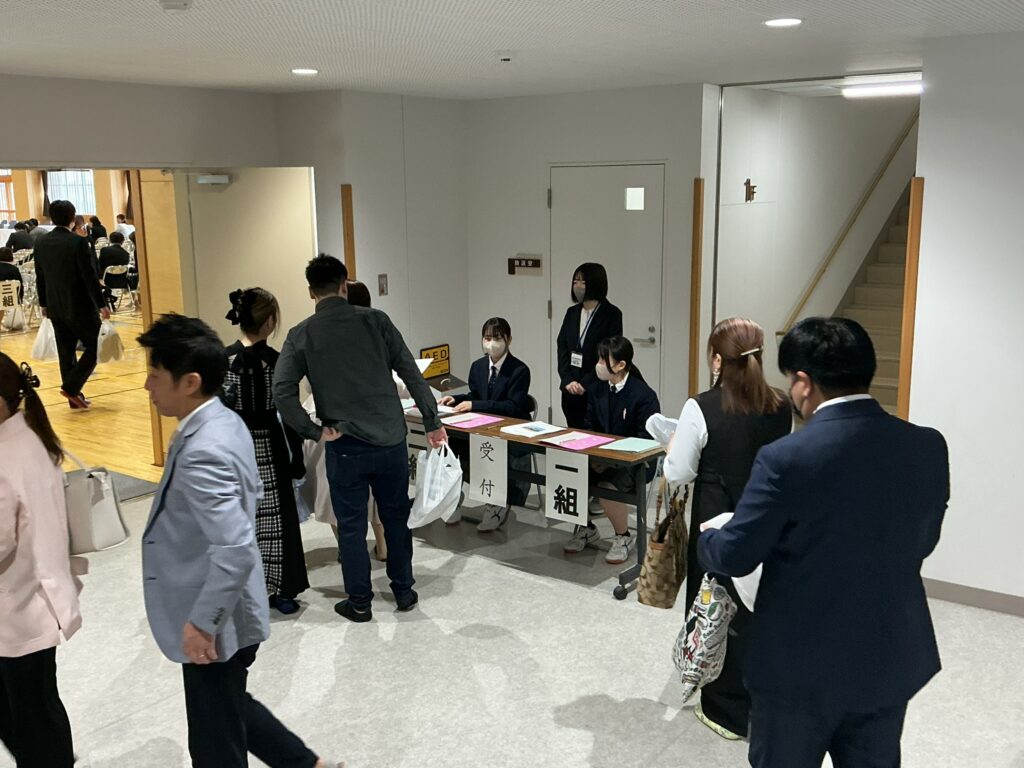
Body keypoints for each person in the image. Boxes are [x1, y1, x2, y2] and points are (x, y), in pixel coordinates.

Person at [698, 317, 949, 768]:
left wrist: (709, 538)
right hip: (885, 653)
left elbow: (736, 555)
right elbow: (923, 540)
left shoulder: (786, 458)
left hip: (798, 665)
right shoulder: (927, 446)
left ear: (803, 382)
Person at [138, 314, 340, 768]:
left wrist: (202, 622)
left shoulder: (204, 447)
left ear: (190, 382)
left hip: (216, 617)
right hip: (226, 608)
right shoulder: (220, 420)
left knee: (214, 744)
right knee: (228, 709)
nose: (147, 386)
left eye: (155, 375)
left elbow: (233, 549)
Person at [274, 255, 447, 624]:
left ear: (311, 292)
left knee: (351, 526)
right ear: (344, 285)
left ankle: (360, 602)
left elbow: (282, 393)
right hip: (390, 440)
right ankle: (404, 591)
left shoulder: (302, 334)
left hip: (345, 445)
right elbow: (411, 373)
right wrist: (432, 421)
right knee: (395, 517)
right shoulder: (377, 321)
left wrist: (312, 430)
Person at [662, 317, 791, 741]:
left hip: (716, 520)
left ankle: (725, 710)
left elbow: (678, 471)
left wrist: (672, 447)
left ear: (717, 360)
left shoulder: (701, 407)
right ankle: (760, 700)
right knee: (757, 607)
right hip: (765, 518)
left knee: (716, 606)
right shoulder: (781, 405)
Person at [0, 355, 82, 767]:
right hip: (39, 598)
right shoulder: (33, 437)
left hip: (17, 609)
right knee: (37, 711)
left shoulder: (5, 454)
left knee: (33, 720)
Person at [223, 288, 310, 616]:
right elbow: (289, 412)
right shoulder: (278, 362)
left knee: (241, 518)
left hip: (235, 447)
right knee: (276, 518)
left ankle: (243, 589)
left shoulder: (223, 360)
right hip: (271, 445)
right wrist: (298, 458)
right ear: (271, 322)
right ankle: (281, 590)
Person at [563, 336, 660, 563]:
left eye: (602, 359)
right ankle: (586, 527)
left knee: (606, 487)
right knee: (569, 474)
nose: (597, 364)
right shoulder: (597, 389)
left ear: (620, 365)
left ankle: (623, 536)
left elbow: (645, 439)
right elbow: (588, 425)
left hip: (634, 462)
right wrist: (595, 454)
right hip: (600, 455)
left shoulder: (643, 395)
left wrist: (610, 459)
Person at [440, 316, 533, 531]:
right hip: (479, 427)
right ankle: (453, 495)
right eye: (487, 338)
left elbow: (512, 406)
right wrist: (457, 399)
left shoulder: (519, 370)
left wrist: (475, 404)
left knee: (493, 452)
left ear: (509, 339)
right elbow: (476, 395)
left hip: (508, 430)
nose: (491, 343)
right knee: (450, 443)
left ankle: (498, 503)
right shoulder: (478, 366)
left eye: (497, 338)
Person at [33, 200, 110, 410]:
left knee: (66, 352)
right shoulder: (77, 242)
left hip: (55, 305)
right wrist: (101, 304)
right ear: (72, 218)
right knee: (98, 344)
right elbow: (89, 276)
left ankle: (73, 398)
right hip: (80, 305)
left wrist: (43, 303)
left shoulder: (41, 242)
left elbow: (40, 276)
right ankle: (72, 387)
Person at [556, 262, 623, 428]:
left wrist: (585, 384)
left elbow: (611, 352)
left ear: (596, 283)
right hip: (570, 388)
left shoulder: (612, 314)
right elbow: (562, 345)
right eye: (575, 281)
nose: (577, 286)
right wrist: (567, 379)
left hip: (596, 387)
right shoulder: (572, 312)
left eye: (582, 282)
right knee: (573, 432)